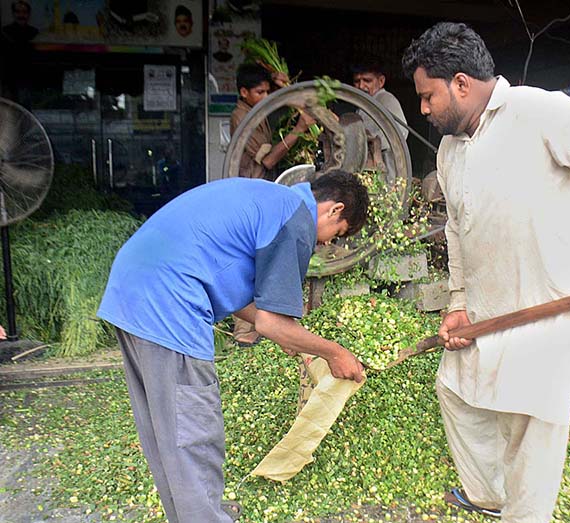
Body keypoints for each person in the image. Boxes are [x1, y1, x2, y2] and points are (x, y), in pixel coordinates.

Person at [402, 22, 570, 522]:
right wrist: (458, 302)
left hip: (549, 305)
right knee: (457, 393)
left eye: (427, 96)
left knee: (530, 428)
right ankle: (490, 497)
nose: (424, 109)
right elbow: (457, 231)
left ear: (461, 83)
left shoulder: (540, 112)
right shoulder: (451, 150)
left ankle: (524, 516)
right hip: (488, 308)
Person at [97, 171, 368, 523]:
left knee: (167, 431)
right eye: (338, 235)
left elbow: (241, 298)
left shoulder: (270, 200)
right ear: (334, 210)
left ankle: (195, 514)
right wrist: (335, 352)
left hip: (133, 290)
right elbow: (272, 321)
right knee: (193, 432)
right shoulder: (295, 220)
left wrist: (290, 338)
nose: (328, 244)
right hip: (169, 300)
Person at [229, 63, 314, 345]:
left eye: (268, 91)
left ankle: (260, 333)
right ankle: (244, 339)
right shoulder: (243, 117)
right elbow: (267, 160)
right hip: (248, 195)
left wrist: (284, 88)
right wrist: (300, 129)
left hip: (258, 194)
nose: (266, 96)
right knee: (247, 267)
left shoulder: (259, 111)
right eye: (260, 91)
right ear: (244, 93)